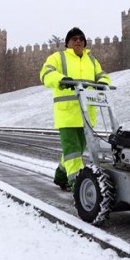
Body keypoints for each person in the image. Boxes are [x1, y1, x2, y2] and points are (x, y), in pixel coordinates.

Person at [39, 27, 111, 191]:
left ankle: (60, 175)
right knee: (72, 151)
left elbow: (101, 74)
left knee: (77, 150)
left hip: (87, 115)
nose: (78, 41)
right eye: (74, 39)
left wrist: (104, 83)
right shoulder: (58, 57)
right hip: (67, 114)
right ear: (67, 43)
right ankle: (78, 186)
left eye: (81, 39)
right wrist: (61, 79)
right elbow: (46, 73)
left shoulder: (91, 60)